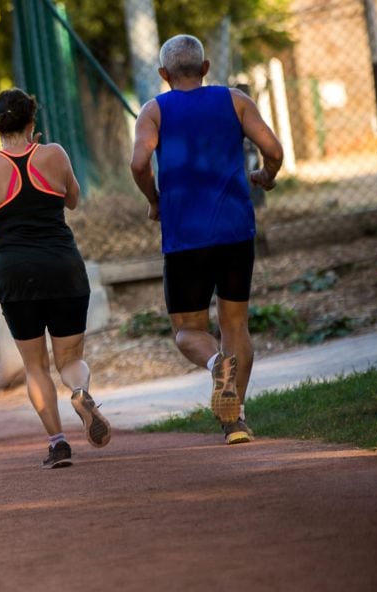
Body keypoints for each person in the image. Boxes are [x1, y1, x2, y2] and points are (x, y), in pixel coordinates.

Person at [130, 34, 283, 445]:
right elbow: (272, 147)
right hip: (235, 230)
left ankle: (218, 365)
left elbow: (139, 162)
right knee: (235, 324)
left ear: (163, 74)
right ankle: (236, 420)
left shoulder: (155, 110)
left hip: (185, 238)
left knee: (186, 330)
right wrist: (266, 178)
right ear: (206, 67)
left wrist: (153, 199)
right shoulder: (235, 101)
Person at [0, 88, 111, 470]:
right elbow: (72, 199)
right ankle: (79, 391)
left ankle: (58, 444)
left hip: (16, 273)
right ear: (31, 122)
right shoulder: (54, 154)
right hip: (63, 266)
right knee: (70, 358)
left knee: (36, 366)